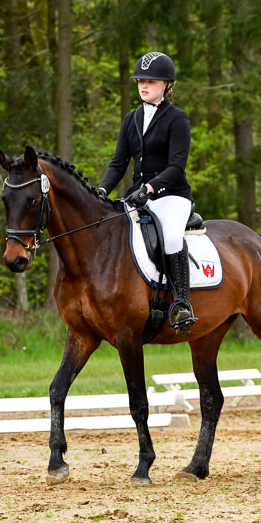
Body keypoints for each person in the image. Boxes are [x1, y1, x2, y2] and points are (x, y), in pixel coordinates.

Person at [98, 51, 197, 332]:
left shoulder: (177, 119)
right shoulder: (131, 119)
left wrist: (151, 187)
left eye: (151, 81)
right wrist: (102, 190)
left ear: (166, 85)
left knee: (170, 237)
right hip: (138, 195)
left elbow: (177, 167)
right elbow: (118, 163)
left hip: (172, 195)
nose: (143, 85)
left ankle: (181, 303)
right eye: (140, 80)